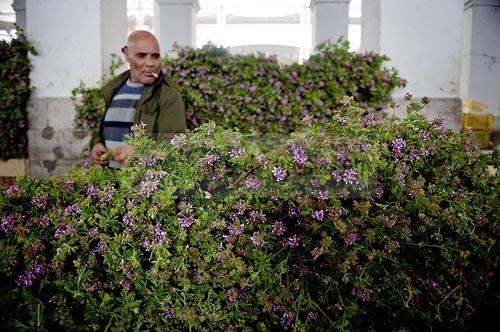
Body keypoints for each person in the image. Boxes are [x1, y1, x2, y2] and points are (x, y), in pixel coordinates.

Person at [90, 30, 186, 168]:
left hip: (141, 185)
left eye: (155, 56)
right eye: (141, 55)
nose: (150, 63)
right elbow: (103, 130)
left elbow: (176, 143)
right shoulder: (112, 91)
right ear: (126, 53)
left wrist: (139, 151)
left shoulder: (169, 95)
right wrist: (96, 144)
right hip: (109, 183)